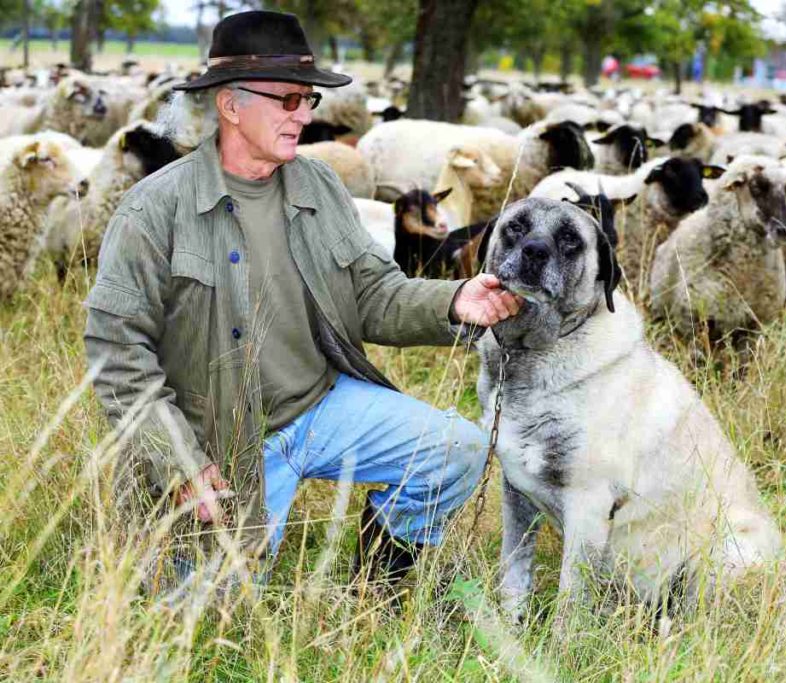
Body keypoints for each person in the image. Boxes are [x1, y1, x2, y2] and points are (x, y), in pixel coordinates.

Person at [83, 10, 521, 591]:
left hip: (319, 407)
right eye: (288, 100)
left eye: (308, 99)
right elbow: (116, 350)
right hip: (222, 441)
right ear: (229, 104)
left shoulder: (318, 185)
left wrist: (456, 300)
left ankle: (382, 574)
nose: (306, 115)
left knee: (457, 452)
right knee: (213, 622)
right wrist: (177, 461)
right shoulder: (153, 210)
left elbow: (372, 292)